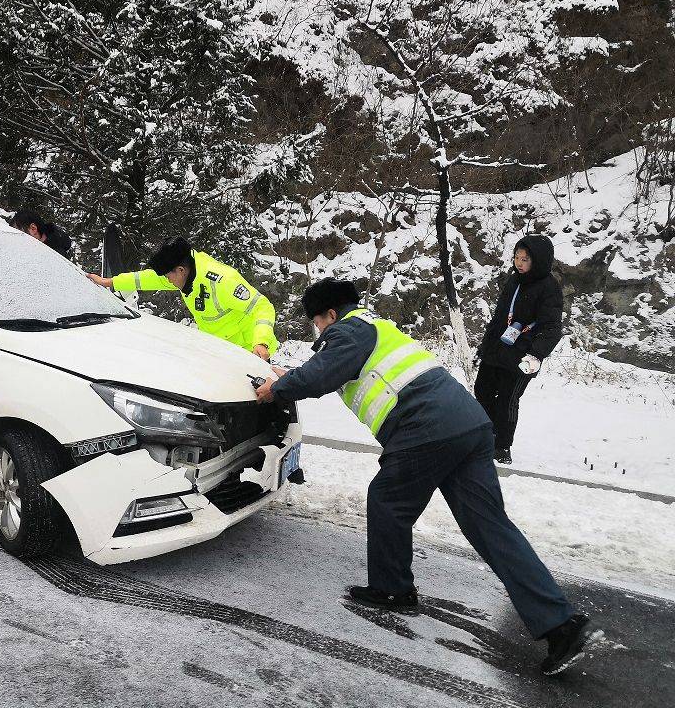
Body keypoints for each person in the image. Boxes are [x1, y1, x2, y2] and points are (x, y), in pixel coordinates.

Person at [254, 277, 599, 675]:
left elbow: (319, 376)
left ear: (330, 314)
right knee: (491, 527)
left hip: (426, 427)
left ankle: (392, 588)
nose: (319, 331)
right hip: (468, 424)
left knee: (387, 500)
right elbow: (326, 368)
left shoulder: (349, 329)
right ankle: (561, 624)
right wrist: (287, 374)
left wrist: (276, 390)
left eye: (317, 323)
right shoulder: (375, 328)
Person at [87, 236, 278, 360]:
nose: (167, 281)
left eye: (168, 277)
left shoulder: (221, 281)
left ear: (180, 270)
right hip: (222, 351)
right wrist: (111, 282)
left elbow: (263, 306)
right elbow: (147, 278)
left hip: (252, 353)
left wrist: (261, 342)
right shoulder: (184, 272)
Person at [474, 235, 564, 464]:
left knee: (507, 400)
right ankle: (485, 437)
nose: (519, 263)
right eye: (517, 257)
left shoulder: (549, 286)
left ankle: (502, 447)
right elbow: (498, 318)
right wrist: (484, 347)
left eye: (525, 259)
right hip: (498, 349)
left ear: (539, 260)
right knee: (482, 391)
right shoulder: (514, 280)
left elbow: (552, 327)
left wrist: (535, 354)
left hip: (522, 355)